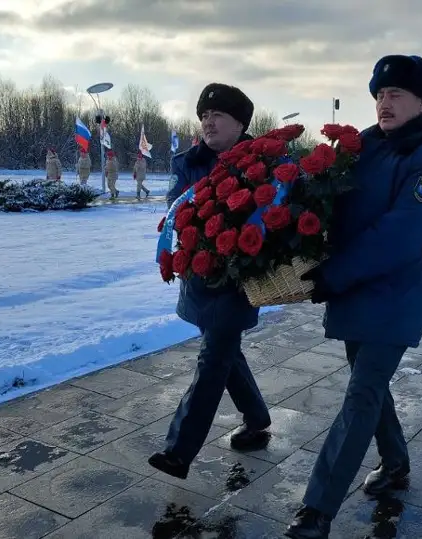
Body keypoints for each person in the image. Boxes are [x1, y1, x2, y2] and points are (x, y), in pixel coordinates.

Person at [285, 55, 422, 539]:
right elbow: (332, 200)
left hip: (396, 290)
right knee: (369, 382)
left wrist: (332, 275)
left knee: (361, 392)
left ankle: (316, 511)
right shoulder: (364, 146)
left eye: (396, 94)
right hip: (355, 285)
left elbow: (401, 234)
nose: (384, 102)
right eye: (380, 94)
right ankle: (397, 462)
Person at [148, 83, 271, 481]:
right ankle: (256, 417)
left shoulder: (263, 162)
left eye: (218, 115)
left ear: (240, 124)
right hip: (199, 274)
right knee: (223, 351)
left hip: (238, 279)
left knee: (214, 356)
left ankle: (178, 451)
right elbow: (176, 211)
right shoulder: (188, 162)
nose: (208, 122)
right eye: (204, 115)